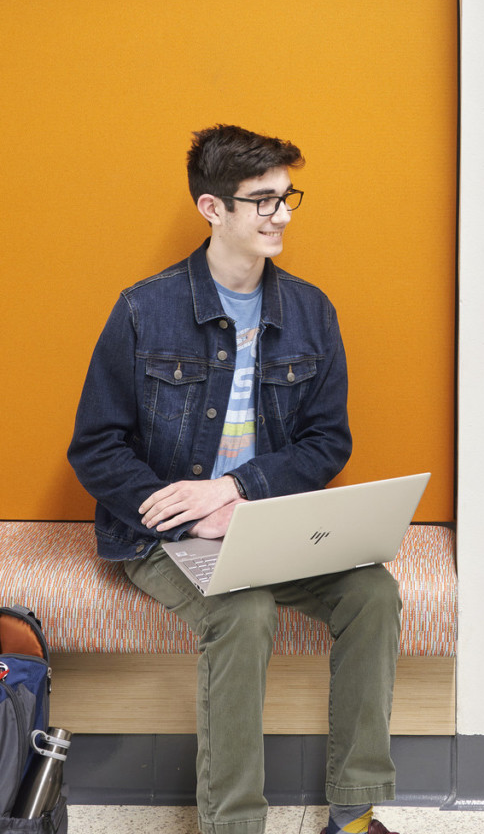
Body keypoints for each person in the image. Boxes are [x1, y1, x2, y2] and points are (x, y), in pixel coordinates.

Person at [69, 124, 401, 834]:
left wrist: (237, 490)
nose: (281, 215)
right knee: (241, 612)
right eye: (262, 201)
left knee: (373, 592)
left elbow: (326, 441)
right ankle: (234, 825)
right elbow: (96, 448)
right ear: (212, 209)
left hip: (266, 522)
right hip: (166, 535)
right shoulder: (143, 309)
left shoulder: (310, 310)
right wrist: (187, 514)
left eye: (287, 197)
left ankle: (356, 809)